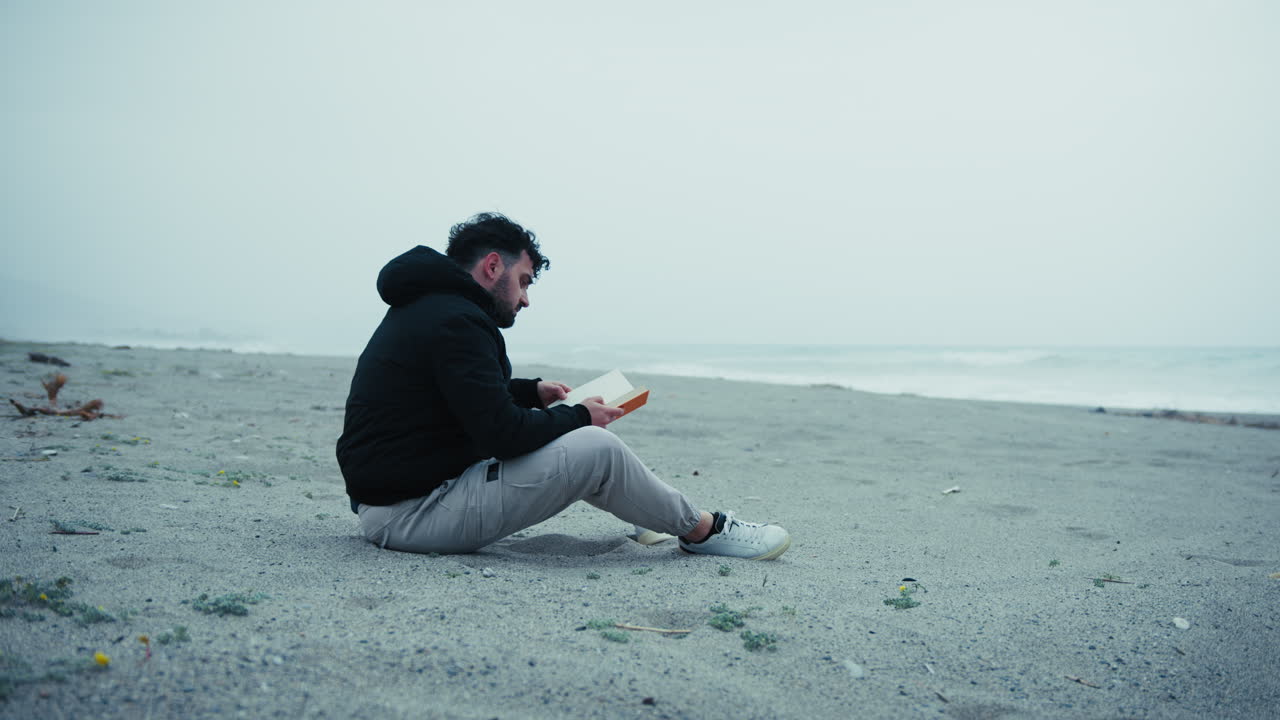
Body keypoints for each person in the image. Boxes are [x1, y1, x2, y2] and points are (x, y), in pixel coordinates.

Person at [335, 212, 790, 560]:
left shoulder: (432, 308)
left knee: (572, 433)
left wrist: (531, 393)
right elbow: (501, 434)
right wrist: (577, 415)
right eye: (524, 281)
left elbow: (450, 392)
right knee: (594, 446)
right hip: (412, 513)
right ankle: (702, 531)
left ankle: (652, 513)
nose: (526, 298)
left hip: (399, 498)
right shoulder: (457, 320)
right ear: (494, 266)